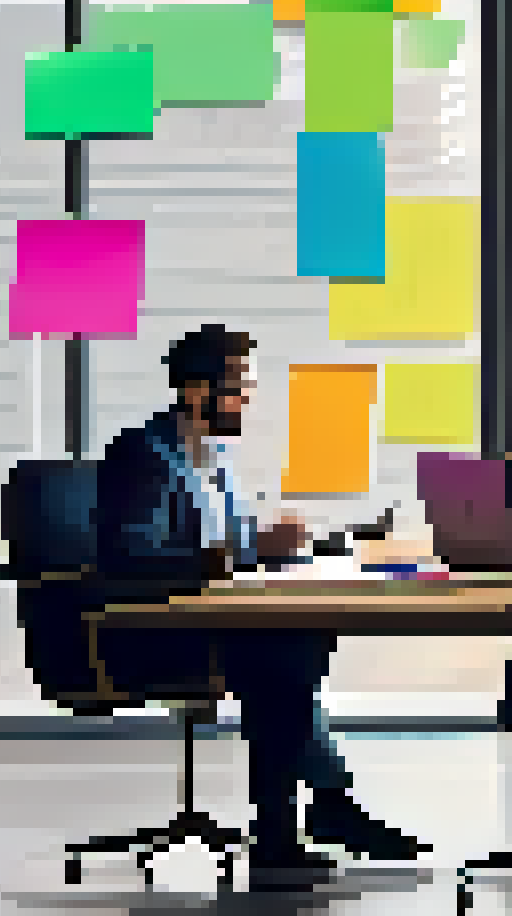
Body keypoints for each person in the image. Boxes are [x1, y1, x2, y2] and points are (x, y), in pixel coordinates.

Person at [93, 325, 427, 874]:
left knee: (291, 649)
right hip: (152, 632)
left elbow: (240, 543)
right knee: (283, 658)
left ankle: (306, 819)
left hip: (215, 626)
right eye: (239, 387)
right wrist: (235, 551)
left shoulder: (214, 458)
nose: (249, 398)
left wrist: (309, 541)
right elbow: (133, 556)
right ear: (198, 392)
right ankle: (305, 821)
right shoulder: (143, 456)